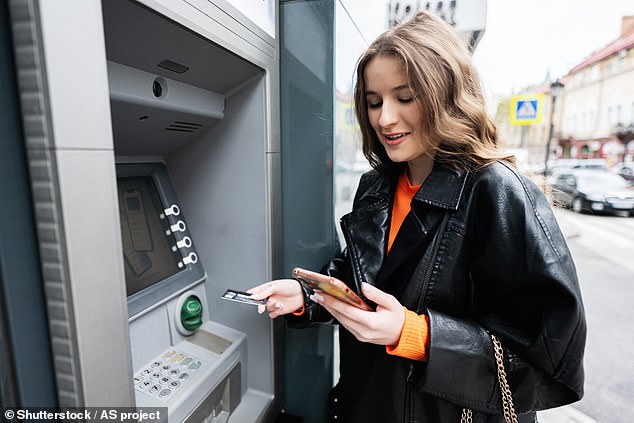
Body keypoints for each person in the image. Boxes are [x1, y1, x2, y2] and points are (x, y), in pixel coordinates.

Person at [249, 10, 586, 423]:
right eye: (374, 102)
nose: (384, 118)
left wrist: (415, 334)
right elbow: (370, 278)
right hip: (368, 403)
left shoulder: (496, 191)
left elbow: (549, 354)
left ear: (446, 95)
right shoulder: (376, 186)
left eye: (404, 98)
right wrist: (309, 295)